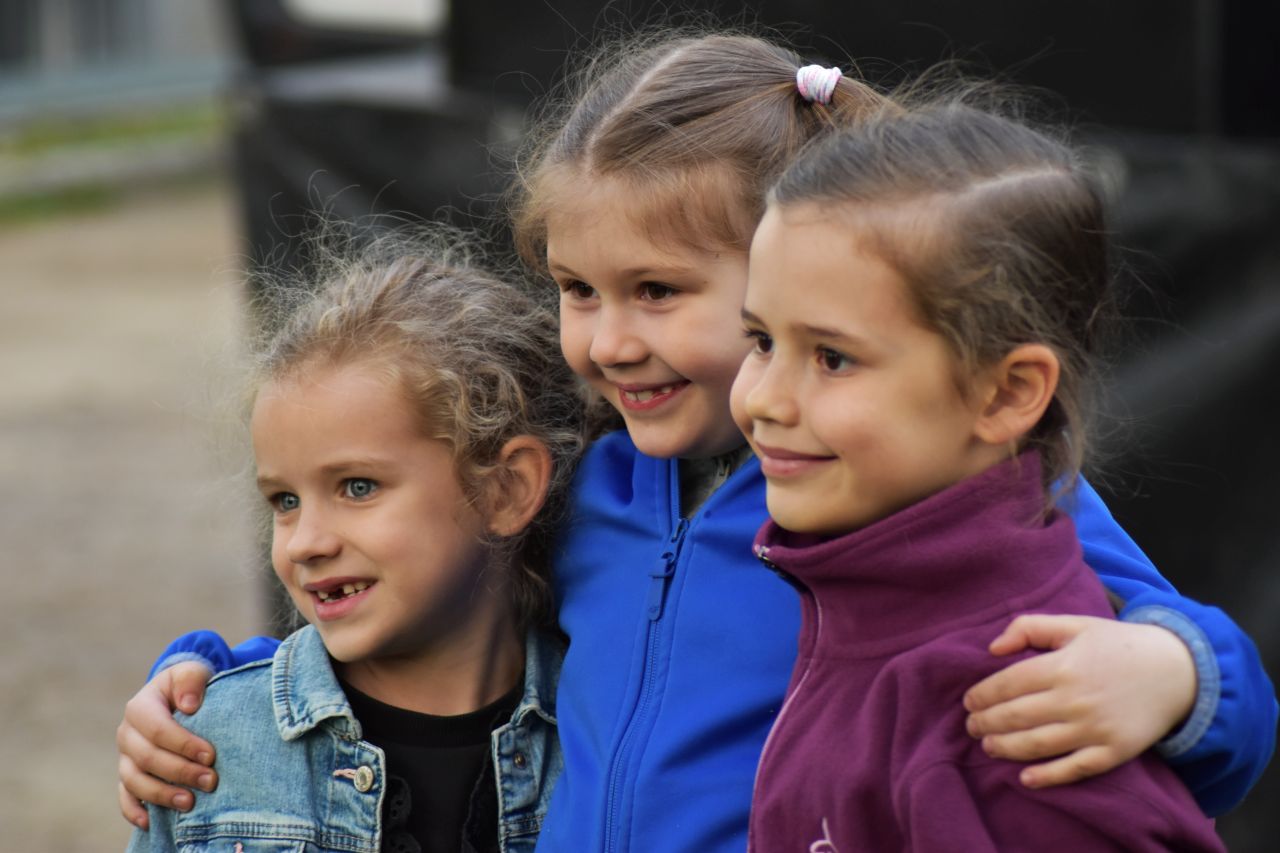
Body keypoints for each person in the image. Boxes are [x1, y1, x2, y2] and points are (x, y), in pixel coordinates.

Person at [116, 32, 1276, 852]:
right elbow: (417, 588)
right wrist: (210, 680)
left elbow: (1194, 683)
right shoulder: (589, 479)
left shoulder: (917, 497)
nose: (609, 340)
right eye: (576, 289)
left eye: (658, 290)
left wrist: (1173, 675)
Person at [736, 97, 1226, 851]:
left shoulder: (1016, 716)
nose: (762, 399)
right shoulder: (860, 593)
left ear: (1006, 393)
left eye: (832, 357)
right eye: (761, 340)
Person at [126, 237, 585, 853]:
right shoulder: (204, 748)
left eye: (357, 487)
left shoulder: (605, 737)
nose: (305, 543)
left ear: (506, 489)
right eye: (284, 501)